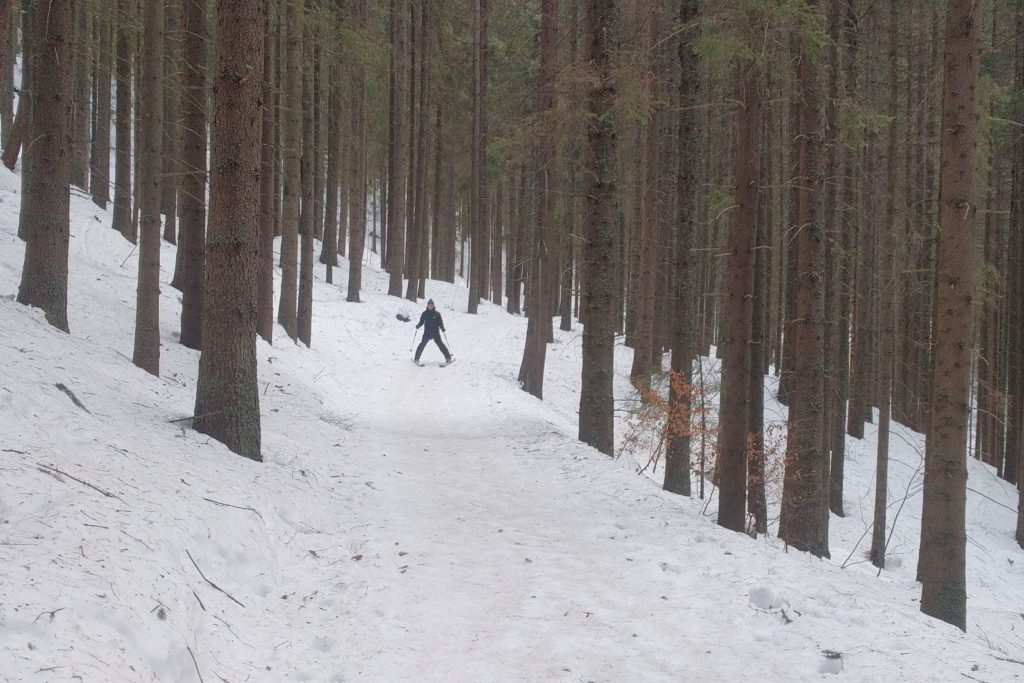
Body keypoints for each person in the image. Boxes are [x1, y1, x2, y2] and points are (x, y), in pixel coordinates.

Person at [414, 299, 453, 365]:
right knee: (422, 344)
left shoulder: (437, 314)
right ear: (427, 305)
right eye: (429, 305)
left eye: (431, 305)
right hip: (427, 333)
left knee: (441, 345)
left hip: (435, 333)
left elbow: (440, 322)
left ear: (433, 306)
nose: (430, 306)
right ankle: (416, 358)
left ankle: (448, 358)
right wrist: (418, 325)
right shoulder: (424, 314)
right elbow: (421, 322)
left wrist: (442, 328)